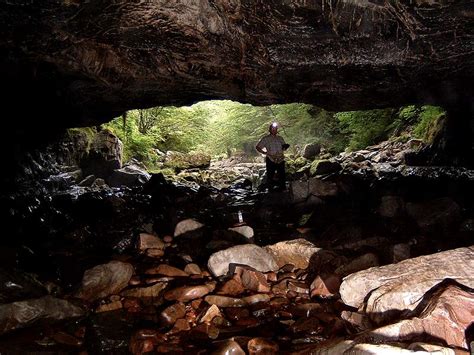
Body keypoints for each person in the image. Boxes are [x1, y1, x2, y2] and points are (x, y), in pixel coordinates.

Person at [256, 122, 290, 191]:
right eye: (273, 129)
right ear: (270, 130)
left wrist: (285, 147)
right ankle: (270, 191)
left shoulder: (280, 138)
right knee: (270, 175)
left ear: (277, 130)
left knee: (282, 175)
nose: (274, 130)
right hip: (271, 159)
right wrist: (264, 152)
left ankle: (282, 190)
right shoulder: (266, 139)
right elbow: (258, 147)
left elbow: (283, 148)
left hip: (280, 159)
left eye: (275, 129)